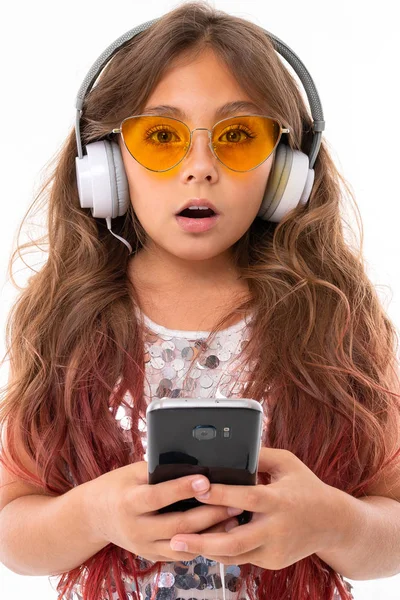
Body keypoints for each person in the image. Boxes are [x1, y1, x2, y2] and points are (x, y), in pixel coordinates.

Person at [0, 2, 399, 600]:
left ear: (288, 168)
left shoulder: (332, 320)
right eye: (162, 136)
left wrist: (333, 522)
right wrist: (93, 515)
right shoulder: (73, 321)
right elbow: (12, 531)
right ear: (106, 164)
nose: (200, 169)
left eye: (238, 136)